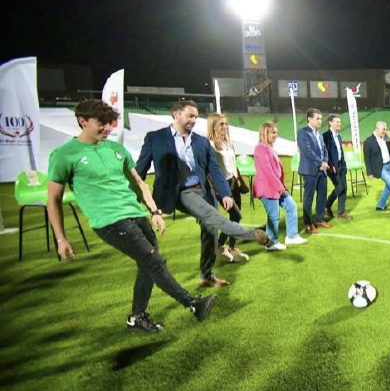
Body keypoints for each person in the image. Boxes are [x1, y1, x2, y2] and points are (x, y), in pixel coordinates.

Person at [48, 99, 217, 332]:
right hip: (109, 221)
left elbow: (139, 183)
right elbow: (53, 200)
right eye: (102, 123)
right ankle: (193, 304)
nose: (108, 128)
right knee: (154, 261)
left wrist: (154, 211)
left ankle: (137, 317)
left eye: (110, 123)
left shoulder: (115, 149)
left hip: (136, 215)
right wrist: (61, 238)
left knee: (146, 265)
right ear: (82, 121)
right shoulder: (64, 155)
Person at [136, 100, 270, 288]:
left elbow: (213, 169)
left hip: (203, 190)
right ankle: (252, 235)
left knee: (210, 230)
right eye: (190, 115)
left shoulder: (200, 141)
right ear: (176, 114)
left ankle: (206, 276)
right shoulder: (155, 138)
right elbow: (139, 171)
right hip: (181, 192)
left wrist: (225, 193)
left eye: (196, 117)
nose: (193, 120)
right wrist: (135, 199)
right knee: (214, 217)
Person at [254, 122, 306, 250]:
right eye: (273, 133)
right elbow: (267, 171)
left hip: (276, 187)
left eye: (276, 132)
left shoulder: (270, 148)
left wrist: (281, 185)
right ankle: (271, 243)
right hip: (267, 188)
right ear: (265, 133)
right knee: (273, 216)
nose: (276, 135)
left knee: (291, 206)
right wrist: (279, 186)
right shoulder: (260, 148)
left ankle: (292, 236)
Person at [207, 113, 250, 262]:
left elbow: (234, 164)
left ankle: (231, 247)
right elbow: (210, 168)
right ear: (213, 126)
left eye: (226, 124)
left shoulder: (229, 142)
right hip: (222, 186)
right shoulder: (210, 145)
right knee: (236, 215)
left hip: (234, 183)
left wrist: (241, 181)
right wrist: (215, 188)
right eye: (221, 124)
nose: (225, 126)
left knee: (235, 218)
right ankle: (219, 245)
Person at [297, 108, 331, 233]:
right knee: (309, 198)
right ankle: (308, 223)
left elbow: (324, 150)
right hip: (310, 170)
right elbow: (307, 151)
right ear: (309, 119)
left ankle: (319, 219)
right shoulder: (303, 132)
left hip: (322, 170)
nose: (320, 121)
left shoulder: (319, 134)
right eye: (317, 118)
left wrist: (325, 162)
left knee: (322, 195)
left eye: (321, 119)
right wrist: (320, 163)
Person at [322, 114, 352, 220]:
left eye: (339, 121)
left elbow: (340, 152)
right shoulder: (325, 136)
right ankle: (326, 205)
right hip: (332, 167)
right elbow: (325, 153)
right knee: (340, 187)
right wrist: (330, 165)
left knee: (344, 188)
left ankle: (341, 213)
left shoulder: (338, 136)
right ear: (330, 123)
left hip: (341, 165)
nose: (339, 123)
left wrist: (344, 165)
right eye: (337, 121)